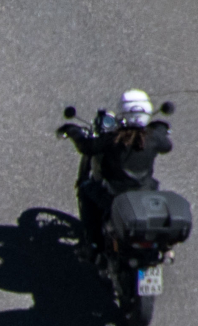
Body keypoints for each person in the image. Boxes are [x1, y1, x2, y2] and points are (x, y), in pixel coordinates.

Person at [61, 90, 173, 244]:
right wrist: (159, 127)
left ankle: (93, 240)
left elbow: (87, 147)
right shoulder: (153, 138)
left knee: (86, 189)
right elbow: (167, 146)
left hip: (114, 196)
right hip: (145, 192)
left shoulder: (114, 139)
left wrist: (73, 131)